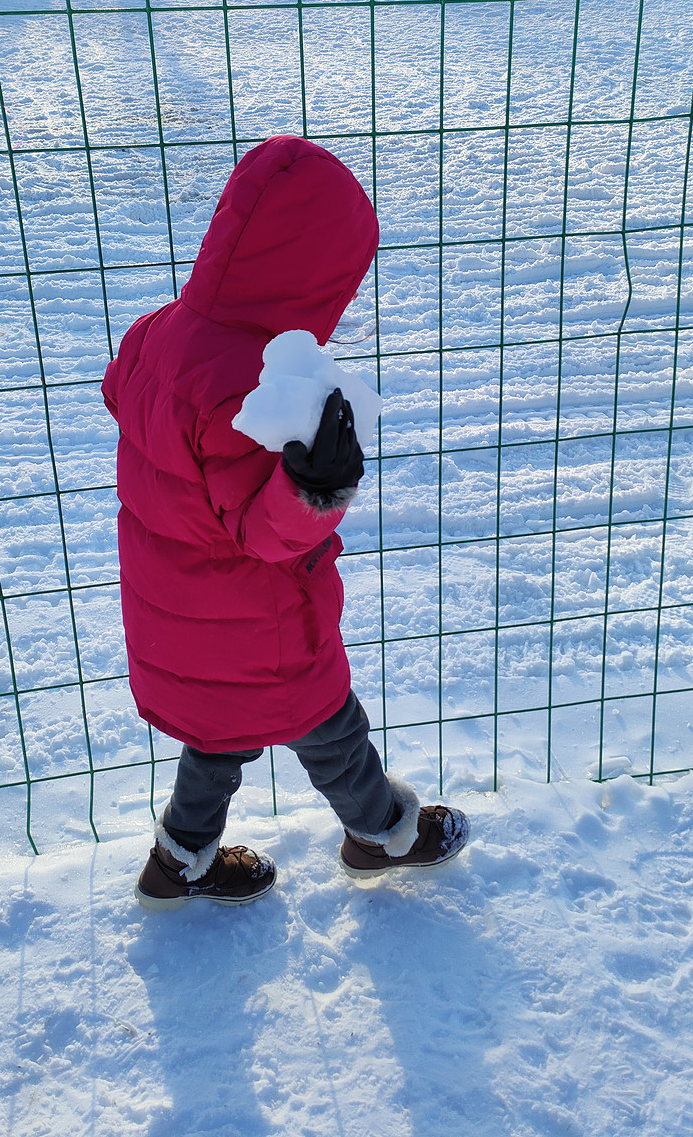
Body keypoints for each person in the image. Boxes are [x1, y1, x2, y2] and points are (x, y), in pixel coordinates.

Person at [102, 135, 470, 909]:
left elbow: (129, 406)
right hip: (262, 625)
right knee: (331, 729)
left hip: (185, 618)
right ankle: (382, 835)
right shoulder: (249, 382)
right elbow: (263, 530)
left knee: (217, 737)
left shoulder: (161, 329)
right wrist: (315, 487)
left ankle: (179, 863)